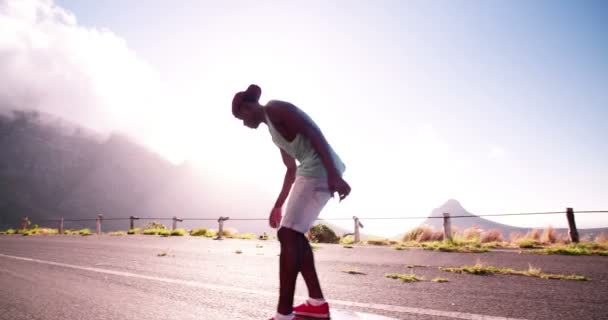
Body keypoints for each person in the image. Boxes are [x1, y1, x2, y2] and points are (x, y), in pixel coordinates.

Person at [232, 84, 351, 320]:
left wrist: (333, 175)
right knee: (294, 235)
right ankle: (316, 303)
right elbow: (290, 169)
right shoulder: (273, 131)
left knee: (287, 234)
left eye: (241, 117)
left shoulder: (276, 108)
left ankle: (283, 313)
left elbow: (314, 135)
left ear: (248, 106)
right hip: (313, 170)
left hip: (319, 169)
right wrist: (278, 205)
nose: (244, 124)